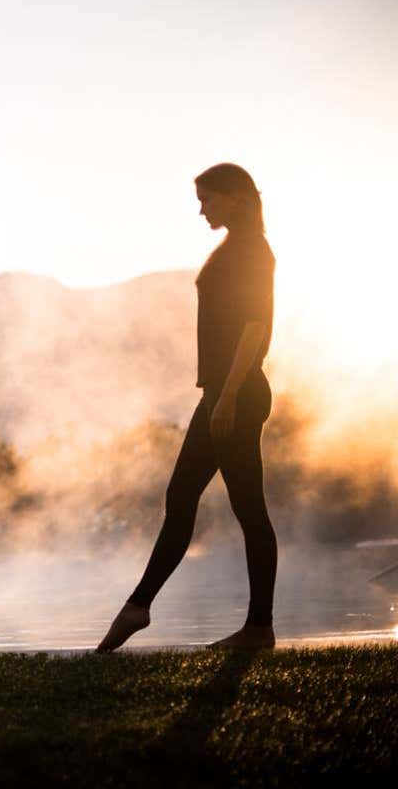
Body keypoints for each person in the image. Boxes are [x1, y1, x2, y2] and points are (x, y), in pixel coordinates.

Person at [96, 163, 278, 652]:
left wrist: (230, 393)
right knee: (227, 506)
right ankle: (251, 627)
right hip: (225, 391)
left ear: (235, 197)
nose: (201, 209)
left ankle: (144, 608)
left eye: (208, 199)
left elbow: (255, 328)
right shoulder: (235, 247)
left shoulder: (252, 250)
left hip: (233, 392)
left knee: (202, 502)